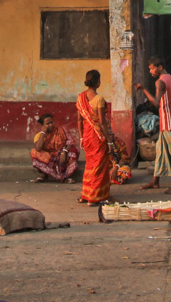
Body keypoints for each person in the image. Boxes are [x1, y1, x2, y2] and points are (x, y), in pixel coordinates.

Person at [137, 57, 171, 194]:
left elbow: (157, 103)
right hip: (169, 120)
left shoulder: (160, 82)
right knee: (160, 152)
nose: (150, 71)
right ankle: (155, 181)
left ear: (159, 67)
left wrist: (143, 89)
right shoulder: (170, 78)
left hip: (169, 122)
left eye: (152, 68)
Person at [76, 69, 114, 206]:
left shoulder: (80, 98)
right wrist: (109, 140)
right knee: (99, 166)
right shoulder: (99, 99)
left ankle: (85, 195)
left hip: (87, 135)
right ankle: (95, 197)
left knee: (90, 165)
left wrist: (81, 137)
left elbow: (79, 120)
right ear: (98, 82)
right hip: (97, 137)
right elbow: (102, 122)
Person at [30, 113, 78, 183]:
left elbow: (71, 141)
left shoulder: (61, 130)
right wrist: (43, 132)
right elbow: (38, 148)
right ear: (43, 125)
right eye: (47, 124)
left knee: (74, 150)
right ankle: (53, 176)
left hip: (62, 155)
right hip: (51, 158)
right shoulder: (39, 135)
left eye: (51, 122)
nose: (50, 125)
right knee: (34, 152)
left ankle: (66, 176)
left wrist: (64, 152)